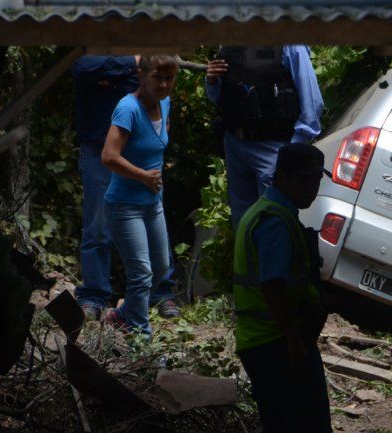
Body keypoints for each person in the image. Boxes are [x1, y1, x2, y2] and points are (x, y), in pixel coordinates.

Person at [233, 143, 331, 433]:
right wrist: (295, 342)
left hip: (267, 341)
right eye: (305, 180)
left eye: (317, 180)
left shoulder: (268, 212)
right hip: (275, 343)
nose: (313, 188)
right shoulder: (274, 221)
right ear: (282, 178)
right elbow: (273, 286)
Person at [72, 55, 179, 320]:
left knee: (155, 235)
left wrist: (111, 74)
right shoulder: (95, 36)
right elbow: (82, 67)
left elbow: (158, 84)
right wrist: (131, 61)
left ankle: (160, 295)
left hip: (141, 154)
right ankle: (94, 297)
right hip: (99, 149)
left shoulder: (149, 50)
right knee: (97, 227)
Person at [205, 46, 324, 226]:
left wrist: (290, 152)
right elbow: (217, 97)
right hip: (235, 145)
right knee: (243, 224)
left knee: (274, 221)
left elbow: (312, 104)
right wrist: (211, 81)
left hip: (273, 147)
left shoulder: (289, 43)